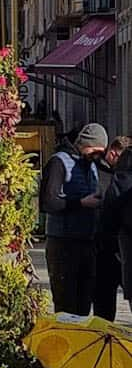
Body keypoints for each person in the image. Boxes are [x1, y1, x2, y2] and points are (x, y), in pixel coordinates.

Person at [39, 121, 108, 315]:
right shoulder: (59, 162)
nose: (97, 156)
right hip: (63, 245)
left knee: (84, 304)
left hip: (86, 243)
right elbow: (48, 202)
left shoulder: (91, 166)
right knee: (66, 304)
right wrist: (80, 203)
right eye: (95, 151)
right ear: (84, 144)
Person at [93, 136, 132, 321]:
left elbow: (108, 221)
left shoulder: (120, 179)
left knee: (104, 308)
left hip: (116, 251)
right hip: (119, 250)